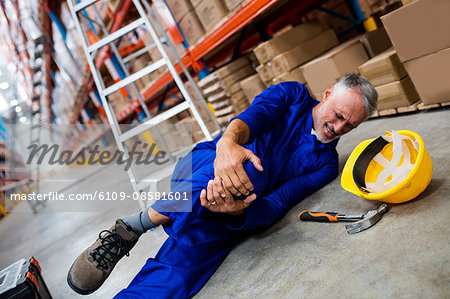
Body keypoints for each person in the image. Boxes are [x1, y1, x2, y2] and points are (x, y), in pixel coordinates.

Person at [67, 73, 377, 298]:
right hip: (200, 165)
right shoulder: (293, 95)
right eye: (338, 115)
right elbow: (253, 117)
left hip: (228, 213)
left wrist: (238, 214)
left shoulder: (324, 165)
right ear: (325, 95)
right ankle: (137, 225)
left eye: (349, 125)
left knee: (175, 278)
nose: (337, 128)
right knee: (252, 170)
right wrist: (228, 144)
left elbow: (277, 203)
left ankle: (133, 228)